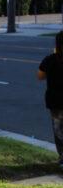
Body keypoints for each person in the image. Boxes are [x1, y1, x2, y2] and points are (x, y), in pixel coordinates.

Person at [37, 30, 63, 170]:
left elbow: (40, 76)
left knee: (59, 132)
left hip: (56, 102)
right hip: (55, 102)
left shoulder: (51, 60)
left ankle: (62, 158)